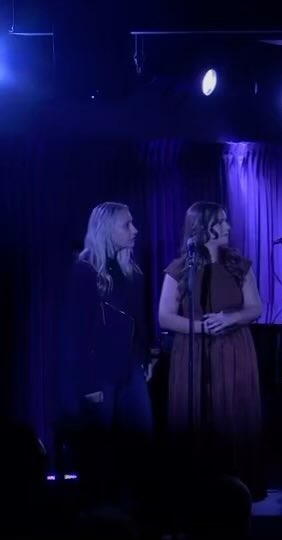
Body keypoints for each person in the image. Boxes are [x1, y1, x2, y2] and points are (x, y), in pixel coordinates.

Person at [158, 202, 265, 498]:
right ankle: (195, 489)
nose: (228, 227)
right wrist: (201, 327)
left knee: (233, 416)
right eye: (220, 222)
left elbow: (255, 308)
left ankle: (237, 488)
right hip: (192, 352)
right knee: (197, 418)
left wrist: (231, 318)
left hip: (235, 351)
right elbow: (165, 316)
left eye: (226, 221)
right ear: (202, 227)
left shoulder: (238, 265)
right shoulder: (180, 269)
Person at [63, 202, 153, 504]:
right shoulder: (84, 272)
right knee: (100, 455)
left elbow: (138, 320)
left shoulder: (132, 272)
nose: (135, 230)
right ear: (106, 229)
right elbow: (75, 333)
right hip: (99, 374)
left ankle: (135, 514)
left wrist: (146, 357)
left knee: (140, 443)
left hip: (131, 369)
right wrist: (88, 384)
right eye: (127, 225)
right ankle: (99, 516)